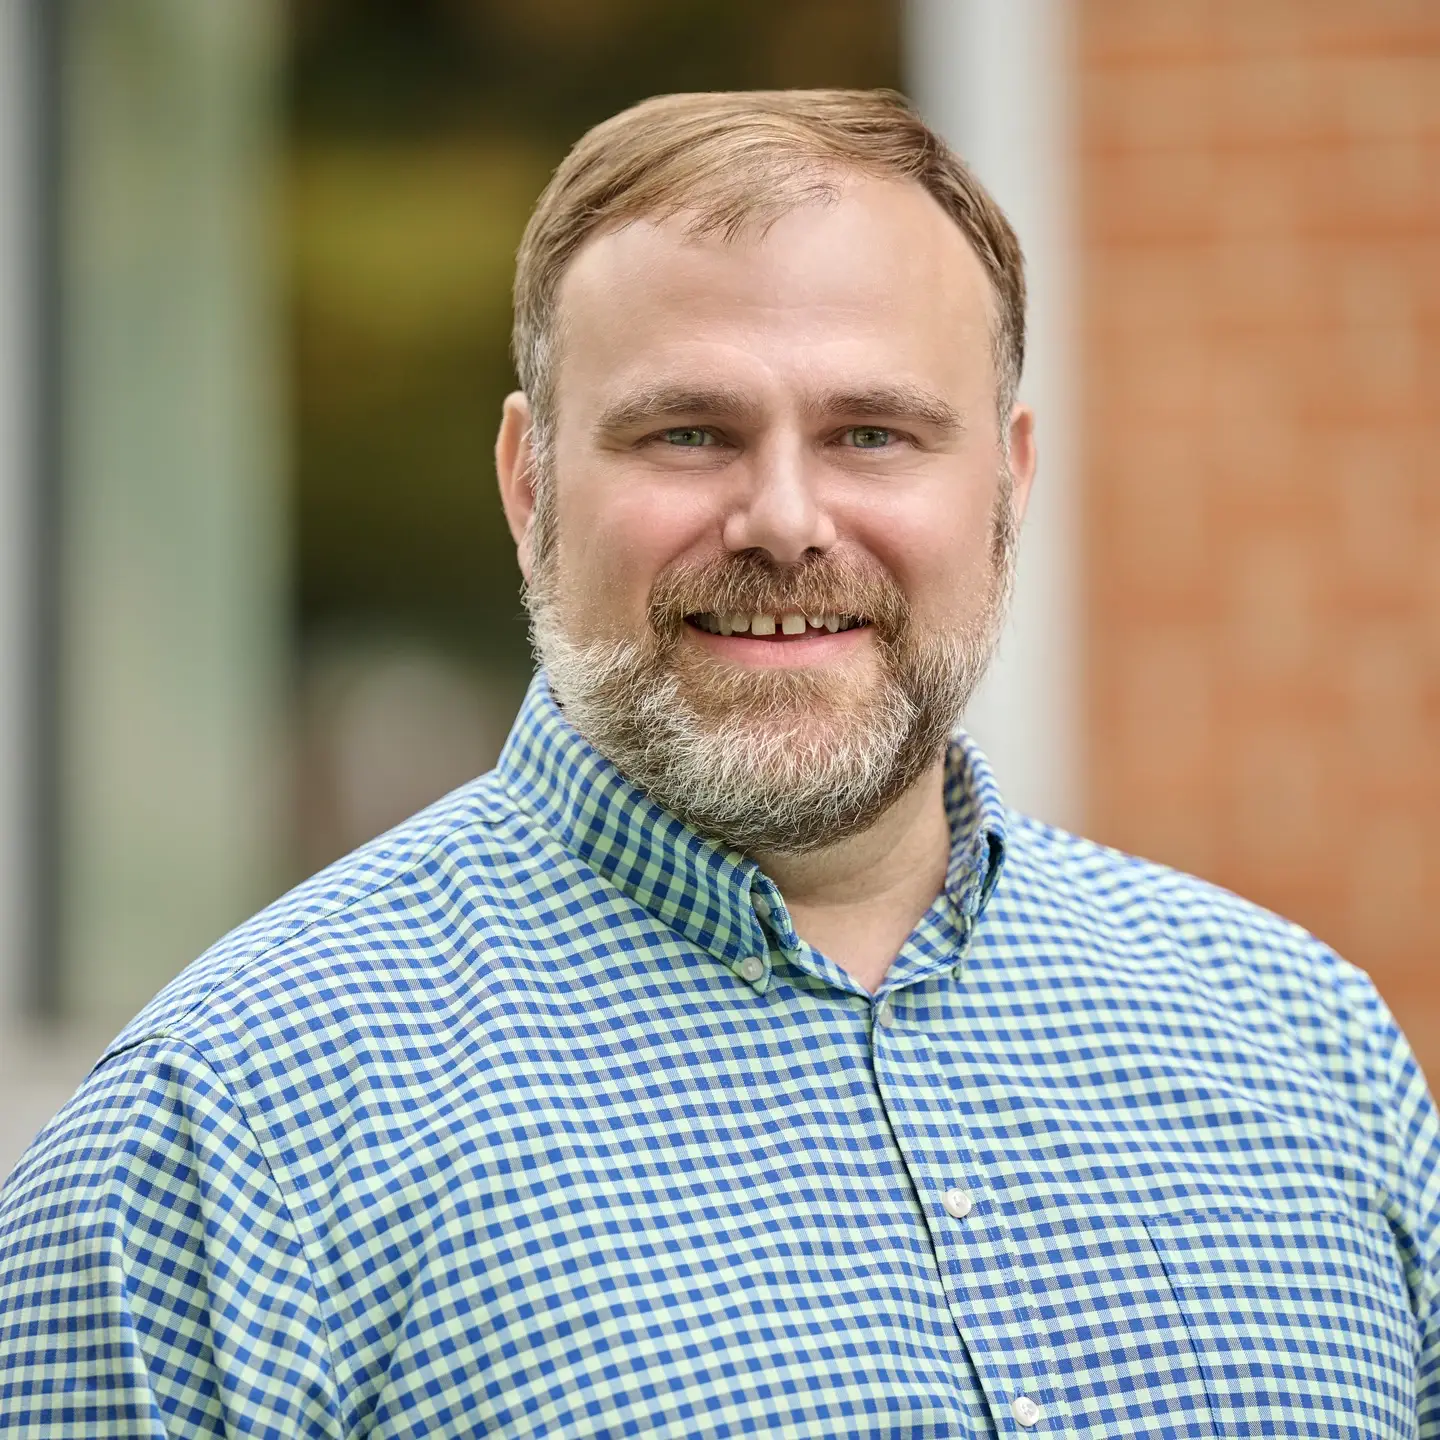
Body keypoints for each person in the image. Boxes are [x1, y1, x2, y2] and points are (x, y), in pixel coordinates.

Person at [2, 88, 1437, 1439]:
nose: (786, 521)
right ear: (529, 485)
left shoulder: (1311, 1056)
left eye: (873, 433)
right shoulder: (224, 1143)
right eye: (690, 432)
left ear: (1007, 482)